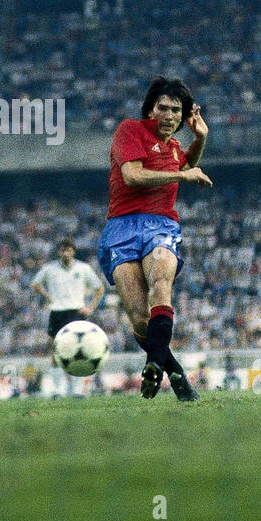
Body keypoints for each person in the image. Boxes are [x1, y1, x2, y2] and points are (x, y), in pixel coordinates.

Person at [96, 76, 211, 401]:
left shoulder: (175, 148)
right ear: (150, 109)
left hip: (161, 225)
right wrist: (182, 174)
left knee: (162, 281)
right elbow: (132, 176)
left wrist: (200, 137)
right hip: (121, 228)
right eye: (163, 107)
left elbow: (187, 164)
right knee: (140, 319)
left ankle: (152, 365)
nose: (170, 115)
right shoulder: (130, 131)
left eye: (177, 110)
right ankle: (174, 373)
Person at [31, 238, 104, 396]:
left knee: (78, 352)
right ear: (59, 252)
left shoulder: (83, 268)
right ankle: (58, 391)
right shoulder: (49, 269)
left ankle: (77, 390)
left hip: (76, 312)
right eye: (63, 250)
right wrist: (47, 296)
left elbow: (99, 288)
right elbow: (35, 284)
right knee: (56, 352)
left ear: (73, 251)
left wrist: (90, 308)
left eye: (69, 249)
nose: (66, 253)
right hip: (57, 312)